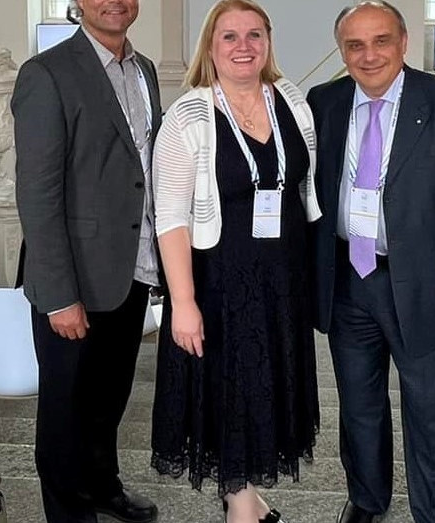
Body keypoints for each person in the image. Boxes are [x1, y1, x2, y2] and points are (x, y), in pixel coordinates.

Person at [307, 2, 435, 522]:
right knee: (359, 407)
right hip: (349, 281)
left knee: (433, 413)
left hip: (425, 286)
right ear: (341, 49)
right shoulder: (322, 102)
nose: (369, 55)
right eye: (355, 45)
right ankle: (367, 499)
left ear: (403, 42)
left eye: (381, 41)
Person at [150, 1, 322, 522]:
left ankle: (246, 495)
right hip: (219, 282)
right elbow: (170, 218)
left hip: (282, 279)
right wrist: (182, 302)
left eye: (254, 34)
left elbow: (303, 188)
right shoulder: (189, 115)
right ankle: (240, 506)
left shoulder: (291, 101)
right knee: (232, 389)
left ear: (269, 41)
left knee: (267, 386)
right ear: (210, 47)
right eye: (229, 36)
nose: (243, 46)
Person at [11, 0, 161, 521]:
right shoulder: (46, 74)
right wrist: (57, 296)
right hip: (72, 283)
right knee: (65, 415)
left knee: (108, 401)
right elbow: (38, 193)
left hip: (131, 271)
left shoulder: (144, 71)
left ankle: (104, 487)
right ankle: (70, 514)